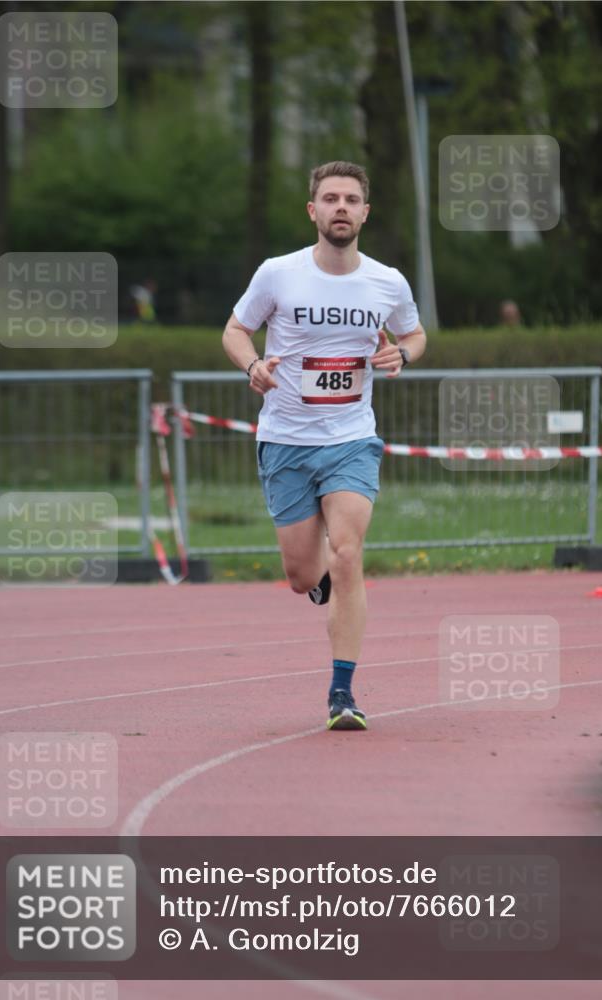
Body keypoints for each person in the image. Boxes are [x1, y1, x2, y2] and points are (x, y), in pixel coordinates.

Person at [222, 161, 427, 731]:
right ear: (313, 211)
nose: (342, 207)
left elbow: (414, 332)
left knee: (348, 551)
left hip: (351, 439)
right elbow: (235, 330)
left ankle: (343, 693)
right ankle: (325, 588)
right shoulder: (277, 274)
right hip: (285, 439)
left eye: (352, 199)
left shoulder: (388, 281)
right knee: (302, 575)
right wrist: (254, 364)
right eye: (331, 198)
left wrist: (402, 354)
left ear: (365, 211)